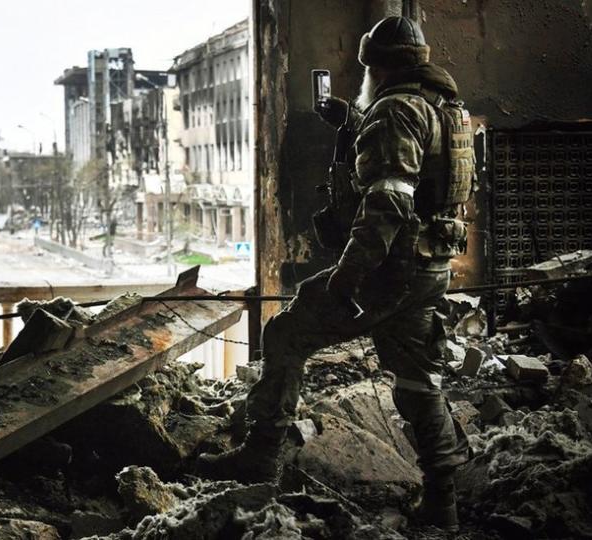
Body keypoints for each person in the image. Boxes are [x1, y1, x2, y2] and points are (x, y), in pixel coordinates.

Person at [197, 16, 475, 532]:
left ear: (377, 65)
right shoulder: (444, 108)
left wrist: (346, 279)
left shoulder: (394, 111)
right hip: (428, 268)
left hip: (386, 273)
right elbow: (425, 181)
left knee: (284, 335)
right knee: (418, 380)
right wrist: (352, 123)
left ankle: (259, 459)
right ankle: (444, 502)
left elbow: (388, 203)